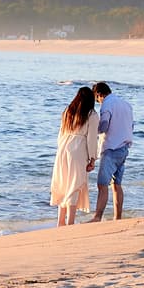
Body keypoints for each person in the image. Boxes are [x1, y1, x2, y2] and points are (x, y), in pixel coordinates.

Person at [50, 86, 97, 226]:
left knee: (64, 183)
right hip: (78, 148)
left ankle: (60, 221)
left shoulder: (67, 111)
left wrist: (60, 149)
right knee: (75, 184)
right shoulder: (91, 114)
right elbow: (92, 138)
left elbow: (60, 133)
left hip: (63, 147)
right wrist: (92, 158)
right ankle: (70, 222)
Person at [91, 80, 134, 222]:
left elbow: (104, 125)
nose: (98, 102)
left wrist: (92, 131)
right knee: (117, 184)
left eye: (96, 99)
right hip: (124, 148)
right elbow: (131, 125)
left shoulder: (107, 105)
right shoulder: (126, 104)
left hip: (111, 148)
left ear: (99, 94)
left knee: (102, 184)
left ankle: (97, 217)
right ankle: (118, 217)